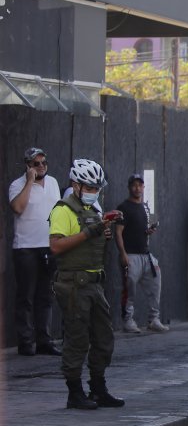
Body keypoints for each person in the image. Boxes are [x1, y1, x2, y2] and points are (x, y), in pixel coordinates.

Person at [49, 159, 124, 410]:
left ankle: (98, 388)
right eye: (89, 188)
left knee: (104, 338)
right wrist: (90, 234)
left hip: (94, 284)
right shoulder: (63, 210)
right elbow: (57, 246)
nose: (93, 192)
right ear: (75, 185)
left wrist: (102, 231)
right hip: (74, 285)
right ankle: (75, 392)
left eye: (96, 189)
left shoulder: (91, 211)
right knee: (77, 340)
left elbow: (89, 238)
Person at [9, 147, 62, 356]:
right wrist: (30, 182)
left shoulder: (54, 183)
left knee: (46, 295)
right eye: (35, 163)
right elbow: (18, 208)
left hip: (48, 246)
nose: (41, 167)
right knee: (26, 296)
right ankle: (25, 341)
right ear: (27, 166)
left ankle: (44, 340)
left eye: (43, 163)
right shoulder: (17, 185)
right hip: (26, 247)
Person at [114, 174, 168, 334]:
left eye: (140, 185)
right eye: (134, 185)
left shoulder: (145, 207)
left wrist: (149, 231)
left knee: (156, 283)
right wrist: (122, 254)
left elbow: (145, 229)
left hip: (146, 255)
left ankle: (154, 319)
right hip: (130, 255)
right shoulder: (123, 207)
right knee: (129, 289)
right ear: (129, 187)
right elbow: (118, 232)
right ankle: (128, 320)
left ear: (143, 188)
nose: (137, 188)